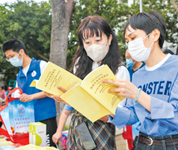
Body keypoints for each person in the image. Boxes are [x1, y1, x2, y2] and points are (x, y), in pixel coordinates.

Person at [48, 15, 130, 150]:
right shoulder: (80, 64)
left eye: (98, 40)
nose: (93, 46)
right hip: (78, 127)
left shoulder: (120, 71)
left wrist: (80, 103)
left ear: (109, 39)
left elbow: (119, 113)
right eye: (87, 42)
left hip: (102, 129)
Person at [103, 10, 178, 150]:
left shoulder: (175, 67)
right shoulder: (138, 75)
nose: (130, 45)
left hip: (171, 144)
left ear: (155, 35)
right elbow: (133, 115)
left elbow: (175, 116)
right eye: (127, 41)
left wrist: (138, 95)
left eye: (133, 38)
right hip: (141, 143)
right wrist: (110, 111)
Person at [2, 39, 57, 147]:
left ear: (21, 52)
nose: (10, 60)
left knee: (48, 148)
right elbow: (18, 98)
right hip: (29, 121)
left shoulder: (41, 65)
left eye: (12, 56)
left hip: (46, 117)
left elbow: (53, 89)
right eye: (8, 58)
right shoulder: (19, 75)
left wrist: (31, 97)